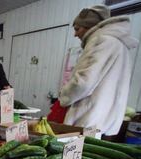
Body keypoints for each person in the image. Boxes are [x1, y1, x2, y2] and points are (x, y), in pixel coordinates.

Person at [59, 5, 138, 136]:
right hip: (104, 120)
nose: (75, 34)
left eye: (77, 29)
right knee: (90, 155)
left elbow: (83, 82)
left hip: (88, 119)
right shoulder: (119, 45)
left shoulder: (100, 41)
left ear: (89, 26)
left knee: (76, 155)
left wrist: (64, 95)